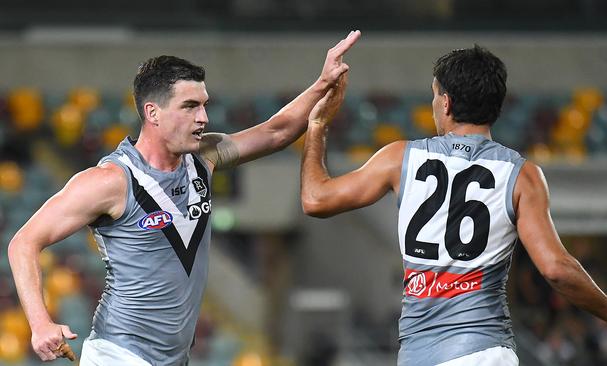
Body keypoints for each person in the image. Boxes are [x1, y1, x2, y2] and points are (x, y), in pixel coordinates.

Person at [8, 30, 361, 365]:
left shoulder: (204, 157)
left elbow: (277, 131)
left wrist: (323, 83)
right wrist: (40, 324)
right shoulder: (111, 181)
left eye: (204, 105)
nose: (203, 117)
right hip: (120, 351)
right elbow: (23, 242)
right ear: (152, 113)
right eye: (190, 106)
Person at [300, 45, 607, 365]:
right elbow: (556, 269)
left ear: (447, 103)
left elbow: (315, 199)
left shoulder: (400, 158)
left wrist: (317, 125)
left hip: (419, 355)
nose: (434, 104)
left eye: (435, 96)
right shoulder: (522, 175)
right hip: (484, 351)